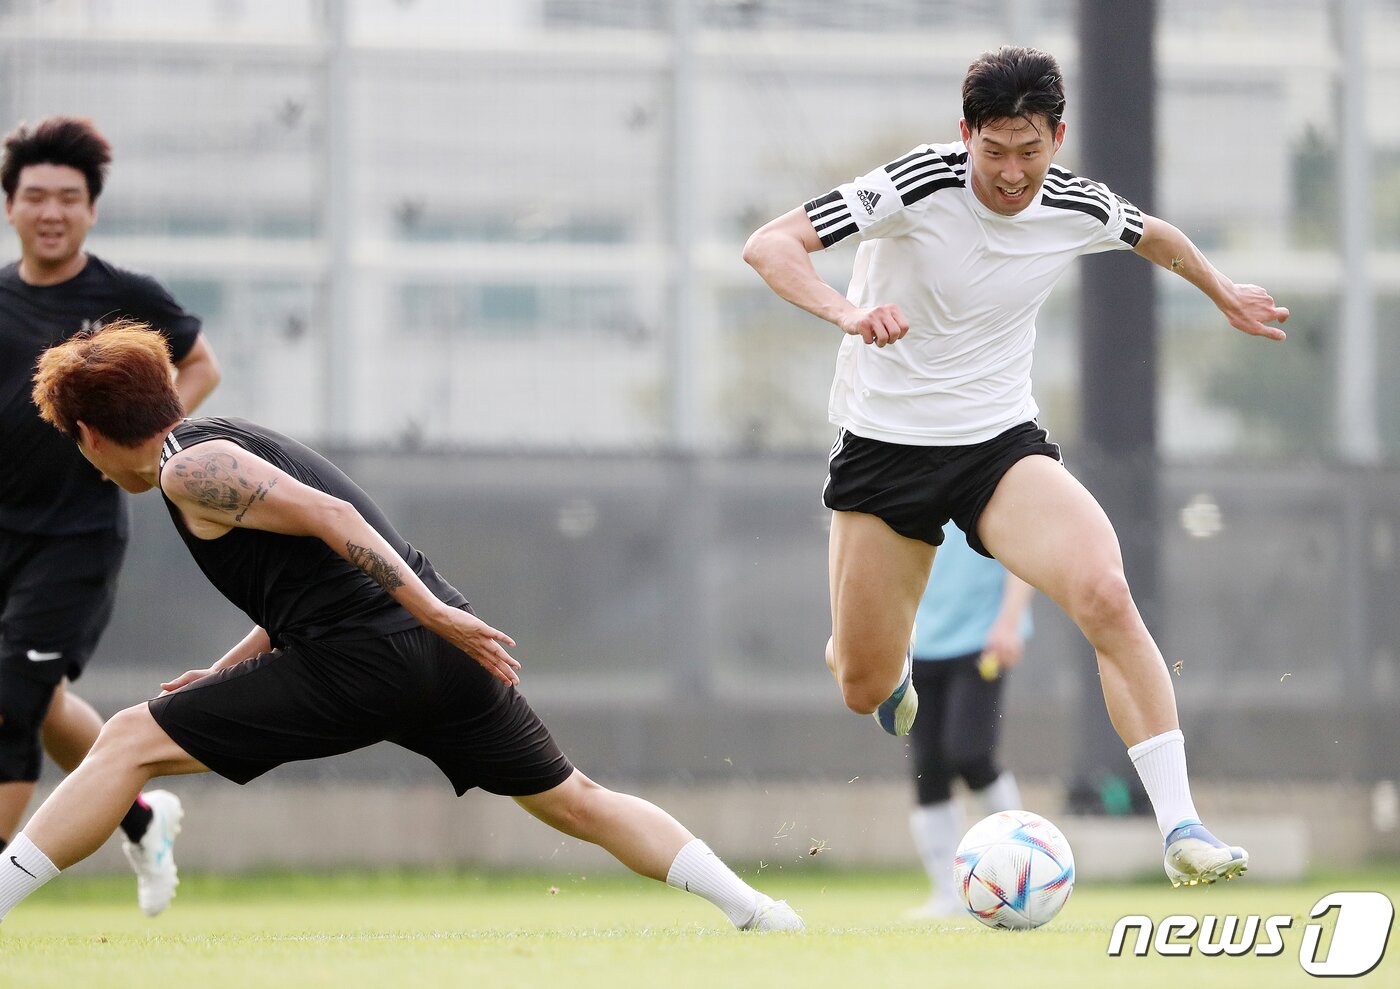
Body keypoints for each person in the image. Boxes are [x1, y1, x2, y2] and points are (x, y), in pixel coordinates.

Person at [0, 320, 803, 934]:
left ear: (91, 436)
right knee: (578, 800)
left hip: (374, 654)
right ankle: (755, 909)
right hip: (438, 655)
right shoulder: (222, 443)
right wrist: (225, 674)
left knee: (127, 740)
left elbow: (330, 514)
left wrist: (428, 608)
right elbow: (307, 586)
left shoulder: (188, 467)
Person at [742, 46, 1288, 888]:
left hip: (997, 444)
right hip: (885, 448)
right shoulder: (918, 182)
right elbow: (771, 245)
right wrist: (846, 310)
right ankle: (884, 666)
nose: (1009, 172)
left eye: (1029, 151)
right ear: (965, 135)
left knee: (1105, 590)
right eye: (993, 150)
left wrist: (1224, 292)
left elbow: (1160, 238)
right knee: (862, 683)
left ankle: (1182, 825)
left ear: (1057, 138)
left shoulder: (1074, 200)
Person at [0, 116, 220, 916]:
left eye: (68, 196)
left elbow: (200, 364)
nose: (51, 210)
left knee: (11, 697)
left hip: (76, 535)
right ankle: (140, 813)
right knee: (33, 691)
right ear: (11, 207)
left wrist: (152, 449)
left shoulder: (122, 297)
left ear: (91, 209)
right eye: (35, 196)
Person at [904, 524, 1032, 917]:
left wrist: (1009, 622)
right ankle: (948, 892)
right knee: (928, 768)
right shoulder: (904, 478)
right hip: (918, 643)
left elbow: (1022, 554)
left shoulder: (986, 472)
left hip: (982, 639)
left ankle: (1024, 870)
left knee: (970, 754)